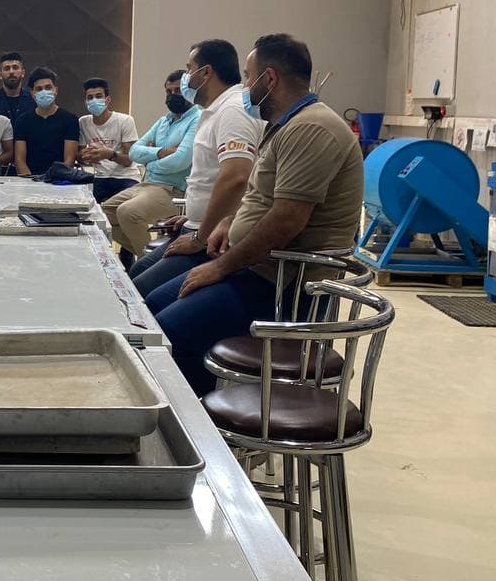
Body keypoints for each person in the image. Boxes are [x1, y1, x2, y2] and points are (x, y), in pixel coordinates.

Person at [144, 34, 364, 396]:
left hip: (284, 284)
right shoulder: (285, 125)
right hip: (257, 268)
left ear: (270, 78)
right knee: (153, 305)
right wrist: (230, 222)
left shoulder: (311, 128)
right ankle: (202, 404)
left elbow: (286, 221)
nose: (245, 86)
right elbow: (262, 196)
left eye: (248, 77)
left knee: (169, 330)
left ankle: (200, 417)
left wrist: (220, 267)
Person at [130, 40, 262, 297]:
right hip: (197, 226)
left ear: (206, 72)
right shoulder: (213, 110)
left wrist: (200, 236)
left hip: (212, 239)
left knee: (143, 292)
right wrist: (191, 216)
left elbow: (236, 178)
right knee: (136, 274)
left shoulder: (233, 110)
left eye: (189, 69)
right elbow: (208, 176)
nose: (186, 77)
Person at [101, 71, 201, 265]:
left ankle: (147, 265)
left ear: (189, 92)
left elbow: (180, 161)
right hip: (146, 184)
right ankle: (154, 258)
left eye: (178, 91)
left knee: (128, 213)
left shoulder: (197, 119)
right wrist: (160, 152)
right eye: (169, 92)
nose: (172, 96)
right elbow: (133, 152)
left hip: (172, 190)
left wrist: (149, 161)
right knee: (103, 215)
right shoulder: (164, 121)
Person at [77, 77, 140, 203]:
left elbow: (128, 160)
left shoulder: (125, 120)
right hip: (100, 178)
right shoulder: (83, 122)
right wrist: (85, 156)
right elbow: (79, 157)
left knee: (126, 207)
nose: (94, 100)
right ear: (86, 102)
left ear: (108, 100)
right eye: (90, 97)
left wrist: (109, 154)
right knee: (87, 206)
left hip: (126, 177)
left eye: (98, 96)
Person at [14, 67, 80, 176]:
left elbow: (69, 161)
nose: (44, 91)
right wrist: (30, 181)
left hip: (59, 180)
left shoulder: (70, 120)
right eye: (39, 89)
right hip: (30, 180)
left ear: (56, 90)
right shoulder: (23, 121)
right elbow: (19, 160)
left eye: (48, 87)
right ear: (32, 94)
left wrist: (54, 180)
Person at [0, 51, 35, 123]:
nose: (11, 72)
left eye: (15, 68)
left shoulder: (33, 100)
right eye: (7, 68)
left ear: (23, 73)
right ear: (0, 75)